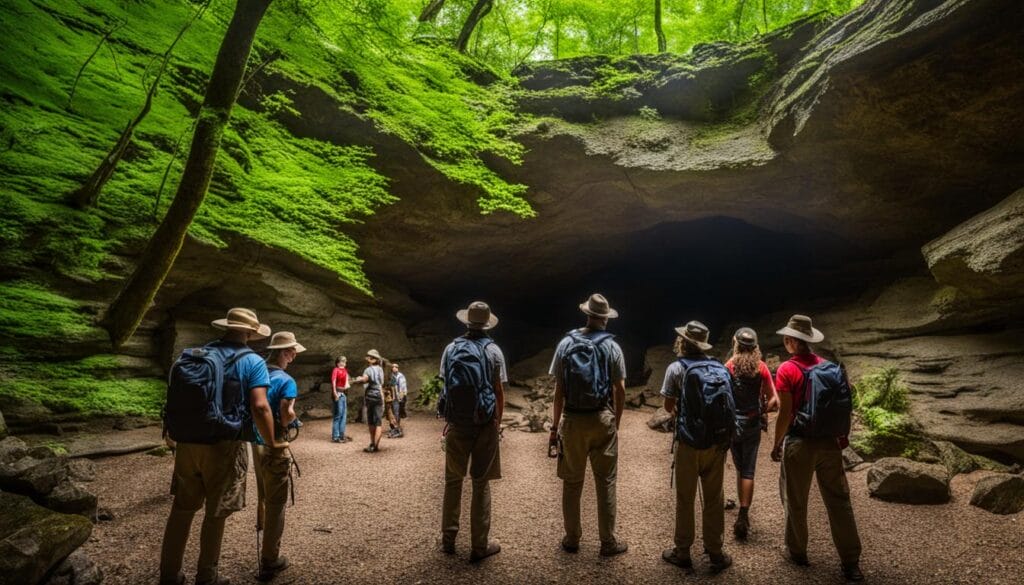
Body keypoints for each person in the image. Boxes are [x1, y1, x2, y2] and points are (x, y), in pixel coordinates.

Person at [159, 308, 279, 585]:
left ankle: (169, 574)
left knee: (182, 508)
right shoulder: (252, 361)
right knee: (216, 512)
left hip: (188, 441)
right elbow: (260, 406)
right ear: (250, 332)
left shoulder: (197, 354)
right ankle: (207, 576)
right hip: (224, 443)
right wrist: (271, 442)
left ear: (226, 327)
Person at [771, 315, 863, 582]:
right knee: (839, 500)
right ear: (809, 341)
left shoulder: (787, 370)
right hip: (830, 445)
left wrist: (777, 444)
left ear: (790, 341)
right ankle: (851, 561)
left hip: (800, 443)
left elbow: (785, 413)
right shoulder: (830, 367)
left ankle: (797, 552)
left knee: (796, 499)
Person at [548, 293, 628, 557]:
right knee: (605, 481)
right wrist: (616, 421)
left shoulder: (565, 343)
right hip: (601, 418)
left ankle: (572, 538)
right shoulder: (612, 347)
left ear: (587, 314)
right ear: (605, 317)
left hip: (572, 419)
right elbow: (620, 389)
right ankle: (608, 542)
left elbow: (559, 390)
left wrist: (554, 426)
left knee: (572, 482)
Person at [660, 321, 733, 573]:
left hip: (688, 442)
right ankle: (715, 552)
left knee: (685, 498)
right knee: (714, 498)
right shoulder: (719, 368)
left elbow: (668, 407)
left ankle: (682, 551)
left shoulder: (676, 368)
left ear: (683, 342)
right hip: (716, 442)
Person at [439, 301, 507, 562]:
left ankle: (448, 540)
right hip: (485, 424)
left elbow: (447, 385)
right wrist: (496, 424)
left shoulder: (451, 348)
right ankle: (479, 545)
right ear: (487, 323)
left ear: (466, 322)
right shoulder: (494, 351)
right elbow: (499, 391)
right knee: (480, 483)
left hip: (458, 424)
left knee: (453, 481)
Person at [253, 331, 305, 581]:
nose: (294, 356)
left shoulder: (258, 373)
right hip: (275, 444)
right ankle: (270, 559)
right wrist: (293, 419)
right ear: (285, 352)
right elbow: (286, 412)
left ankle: (262, 536)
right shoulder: (287, 380)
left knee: (264, 493)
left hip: (255, 441)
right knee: (276, 503)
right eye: (293, 352)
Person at [723, 327, 779, 540]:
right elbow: (774, 400)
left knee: (739, 467)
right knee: (748, 470)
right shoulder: (761, 367)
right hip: (752, 423)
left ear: (736, 344)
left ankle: (741, 510)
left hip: (733, 424)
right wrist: (764, 411)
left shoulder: (729, 366)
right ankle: (743, 515)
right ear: (755, 348)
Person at [351, 349, 386, 453]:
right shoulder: (380, 369)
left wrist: (356, 379)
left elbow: (365, 379)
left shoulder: (368, 370)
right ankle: (375, 445)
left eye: (368, 357)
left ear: (371, 359)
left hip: (370, 396)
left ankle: (372, 444)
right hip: (379, 395)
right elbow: (381, 382)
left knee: (371, 421)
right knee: (378, 422)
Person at [331, 356, 351, 443]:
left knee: (344, 415)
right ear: (338, 362)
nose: (343, 363)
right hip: (338, 393)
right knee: (338, 415)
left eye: (344, 362)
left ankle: (341, 435)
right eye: (341, 361)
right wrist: (335, 393)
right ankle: (336, 436)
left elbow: (347, 382)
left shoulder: (345, 370)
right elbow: (333, 381)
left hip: (343, 394)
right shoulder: (336, 370)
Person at [387, 363, 407, 438]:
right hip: (392, 397)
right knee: (392, 413)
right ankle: (394, 428)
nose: (394, 368)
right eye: (393, 367)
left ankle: (397, 429)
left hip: (398, 398)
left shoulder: (400, 376)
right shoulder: (391, 376)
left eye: (396, 367)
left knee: (397, 413)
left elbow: (402, 388)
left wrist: (400, 398)